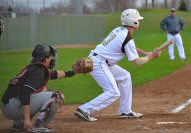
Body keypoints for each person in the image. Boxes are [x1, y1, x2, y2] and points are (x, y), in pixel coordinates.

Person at [74, 9, 170, 122]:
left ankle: (125, 111)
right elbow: (137, 62)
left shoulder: (119, 30)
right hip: (99, 63)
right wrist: (152, 57)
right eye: (138, 20)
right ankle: (85, 109)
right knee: (113, 92)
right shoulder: (127, 38)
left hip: (98, 60)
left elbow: (130, 47)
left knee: (125, 76)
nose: (139, 22)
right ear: (134, 22)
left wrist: (146, 53)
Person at [1, 44, 76, 133]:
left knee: (40, 93)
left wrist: (74, 72)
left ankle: (19, 124)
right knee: (57, 96)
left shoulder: (35, 68)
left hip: (10, 104)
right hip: (13, 107)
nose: (52, 60)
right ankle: (39, 126)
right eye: (50, 57)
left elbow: (54, 74)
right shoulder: (38, 72)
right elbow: (25, 93)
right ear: (45, 59)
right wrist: (27, 119)